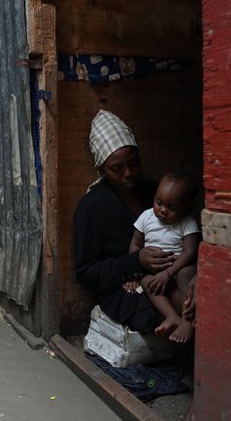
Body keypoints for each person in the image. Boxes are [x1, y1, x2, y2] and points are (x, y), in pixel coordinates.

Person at [74, 110, 177, 333]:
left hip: (171, 274)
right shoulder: (92, 207)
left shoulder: (156, 193)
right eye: (117, 169)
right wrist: (135, 262)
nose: (129, 173)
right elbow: (86, 272)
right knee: (167, 307)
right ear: (101, 168)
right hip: (123, 290)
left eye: (133, 164)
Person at [128, 172, 201, 343]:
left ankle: (187, 320)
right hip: (154, 272)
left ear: (188, 207)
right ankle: (171, 316)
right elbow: (135, 245)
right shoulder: (146, 217)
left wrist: (168, 273)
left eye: (172, 207)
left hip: (177, 270)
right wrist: (134, 271)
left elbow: (189, 253)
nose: (162, 210)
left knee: (186, 274)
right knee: (146, 281)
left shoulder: (187, 222)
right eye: (158, 202)